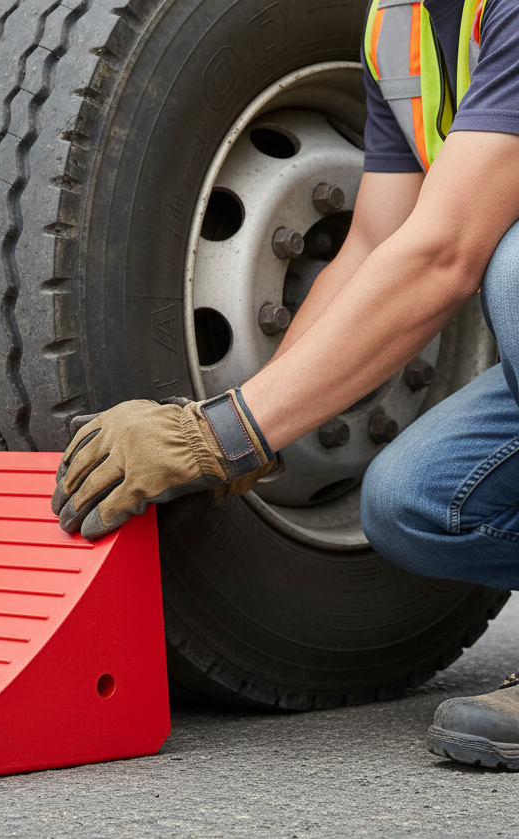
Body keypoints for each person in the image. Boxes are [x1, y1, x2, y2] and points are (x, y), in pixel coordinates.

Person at [51, 0, 519, 770]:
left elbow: (444, 256)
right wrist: (253, 433)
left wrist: (225, 433)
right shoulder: (398, 27)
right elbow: (376, 240)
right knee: (416, 503)